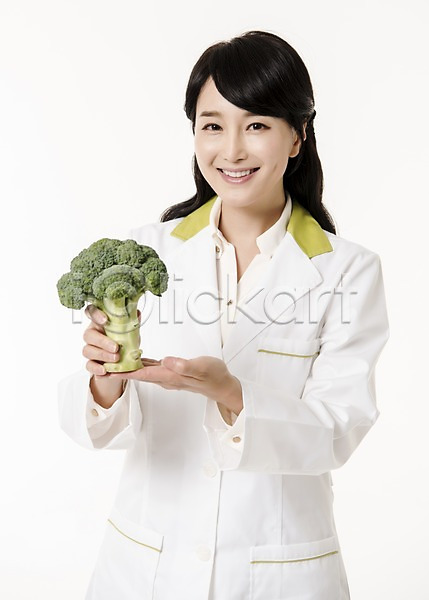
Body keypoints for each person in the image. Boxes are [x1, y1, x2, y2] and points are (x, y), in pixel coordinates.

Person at [58, 30, 389, 600]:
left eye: (256, 125)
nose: (231, 151)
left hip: (279, 572)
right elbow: (95, 430)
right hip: (146, 568)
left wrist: (232, 394)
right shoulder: (146, 253)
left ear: (297, 136)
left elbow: (338, 430)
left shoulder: (348, 271)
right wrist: (105, 380)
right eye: (212, 126)